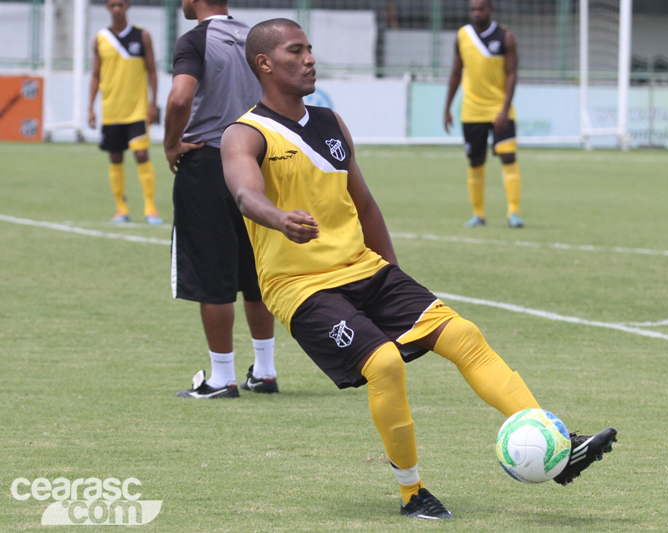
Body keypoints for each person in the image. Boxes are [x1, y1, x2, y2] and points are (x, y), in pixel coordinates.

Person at [221, 18, 617, 519]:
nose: (309, 59)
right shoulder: (245, 133)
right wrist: (279, 218)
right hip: (298, 286)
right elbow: (243, 192)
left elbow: (363, 204)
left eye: (310, 49)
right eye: (295, 51)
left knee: (464, 334)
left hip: (365, 270)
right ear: (264, 63)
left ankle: (558, 449)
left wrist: (393, 274)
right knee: (384, 362)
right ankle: (413, 492)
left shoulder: (331, 124)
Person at [164, 0, 278, 398]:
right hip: (256, 160)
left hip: (210, 161)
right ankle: (265, 371)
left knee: (213, 273)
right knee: (255, 271)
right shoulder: (254, 36)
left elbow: (180, 97)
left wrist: (171, 142)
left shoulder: (195, 40)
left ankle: (221, 377)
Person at [444, 0, 524, 228]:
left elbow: (512, 74)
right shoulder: (463, 36)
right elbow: (455, 73)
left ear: (491, 10)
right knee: (475, 161)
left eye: (481, 9)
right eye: (473, 9)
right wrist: (447, 108)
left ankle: (514, 213)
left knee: (508, 156)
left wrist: (505, 109)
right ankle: (478, 214)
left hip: (500, 109)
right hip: (472, 110)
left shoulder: (505, 37)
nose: (476, 13)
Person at [88, 0, 162, 225]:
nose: (117, 9)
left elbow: (152, 70)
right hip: (111, 110)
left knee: (141, 154)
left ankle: (150, 207)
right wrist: (90, 108)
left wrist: (153, 104)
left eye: (120, 4)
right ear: (107, 9)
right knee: (115, 156)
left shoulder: (142, 36)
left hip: (137, 109)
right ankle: (121, 209)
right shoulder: (100, 39)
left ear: (128, 6)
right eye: (112, 5)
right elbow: (95, 74)